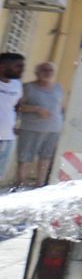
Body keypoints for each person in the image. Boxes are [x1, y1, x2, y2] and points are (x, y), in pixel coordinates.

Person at [15, 60, 63, 188]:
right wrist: (36, 109)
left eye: (50, 70)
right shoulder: (28, 87)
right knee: (25, 157)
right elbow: (17, 107)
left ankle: (40, 184)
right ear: (37, 72)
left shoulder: (58, 88)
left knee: (46, 157)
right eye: (44, 70)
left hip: (53, 129)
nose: (47, 73)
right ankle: (20, 184)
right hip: (31, 128)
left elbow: (60, 107)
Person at [0, 52, 23, 184]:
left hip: (7, 136)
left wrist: (18, 124)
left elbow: (17, 106)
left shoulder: (17, 85)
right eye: (17, 66)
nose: (21, 70)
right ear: (3, 67)